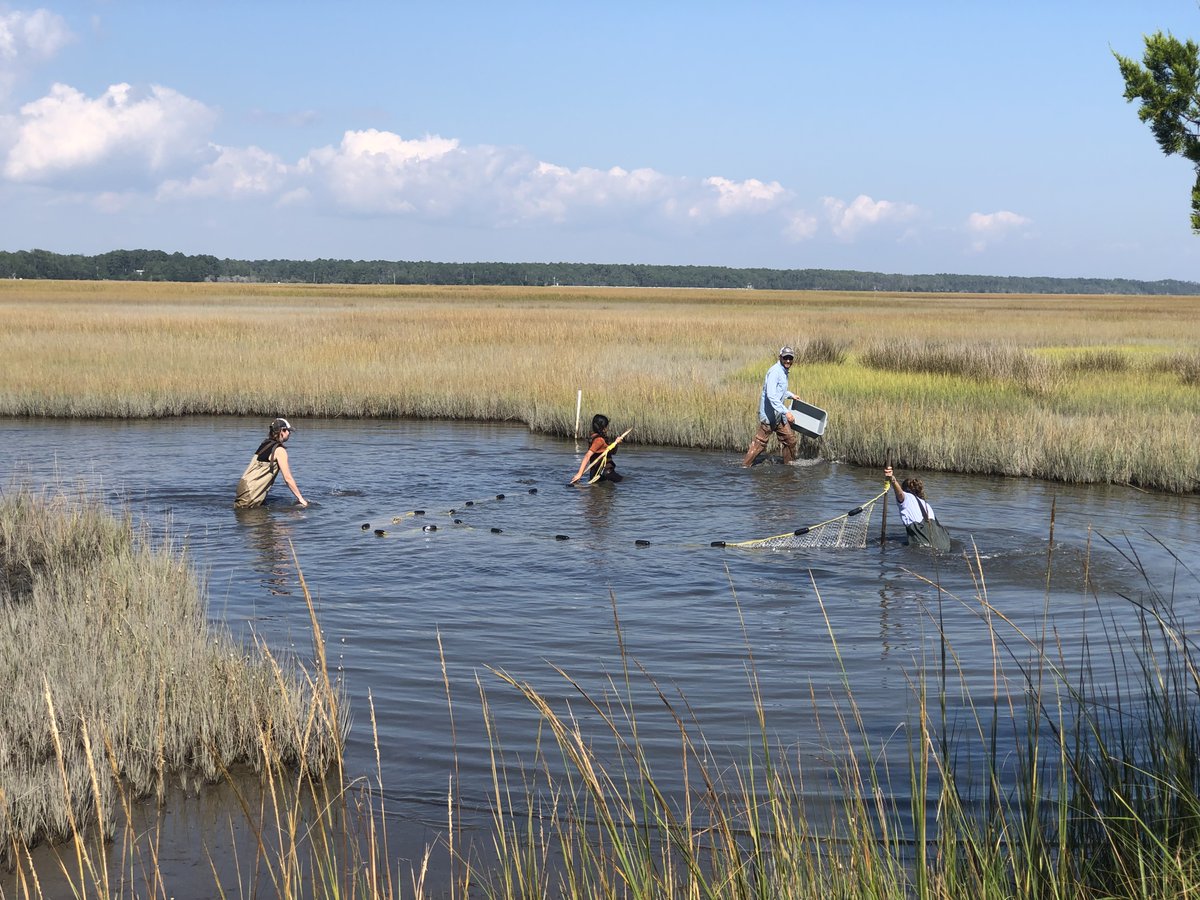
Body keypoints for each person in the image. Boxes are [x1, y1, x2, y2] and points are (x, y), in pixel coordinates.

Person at [741, 345, 799, 467]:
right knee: (759, 445)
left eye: (790, 358)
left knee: (790, 441)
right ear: (780, 357)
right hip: (769, 416)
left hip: (778, 417)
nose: (788, 360)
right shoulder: (775, 371)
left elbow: (779, 391)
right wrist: (786, 412)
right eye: (785, 358)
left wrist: (791, 395)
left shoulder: (783, 371)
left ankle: (788, 466)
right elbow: (771, 395)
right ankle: (744, 467)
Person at [235, 417, 308, 509]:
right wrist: (301, 498)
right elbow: (288, 478)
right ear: (282, 431)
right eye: (288, 431)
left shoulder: (265, 444)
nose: (290, 433)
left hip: (243, 486)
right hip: (251, 491)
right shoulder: (280, 450)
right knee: (251, 518)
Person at [884, 465, 951, 550]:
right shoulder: (926, 505)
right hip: (943, 542)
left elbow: (900, 494)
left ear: (904, 489)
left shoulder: (907, 497)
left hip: (925, 542)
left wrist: (892, 480)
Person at [570, 414, 622, 484]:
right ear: (602, 427)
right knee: (625, 483)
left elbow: (612, 452)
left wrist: (616, 443)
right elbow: (587, 456)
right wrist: (579, 473)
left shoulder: (596, 438)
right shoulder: (599, 440)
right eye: (606, 427)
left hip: (596, 474)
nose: (607, 429)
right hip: (605, 473)